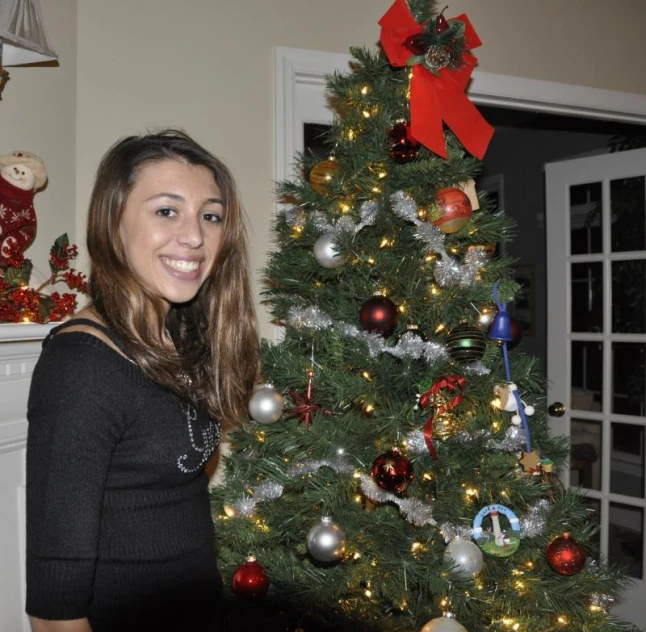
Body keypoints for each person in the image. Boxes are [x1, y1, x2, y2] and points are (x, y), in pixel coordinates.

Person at [25, 129, 260, 632]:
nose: (195, 236)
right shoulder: (82, 368)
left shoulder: (181, 336)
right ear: (114, 222)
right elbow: (53, 615)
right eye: (166, 211)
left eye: (210, 216)